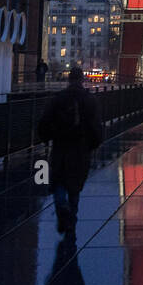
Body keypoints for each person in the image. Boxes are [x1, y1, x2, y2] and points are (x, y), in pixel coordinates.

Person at [37, 66, 102, 236]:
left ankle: (61, 207)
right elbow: (96, 127)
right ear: (82, 79)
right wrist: (93, 144)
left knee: (59, 181)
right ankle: (71, 218)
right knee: (75, 185)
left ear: (68, 79)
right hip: (81, 148)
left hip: (60, 146)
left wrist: (46, 138)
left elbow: (44, 121)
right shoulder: (89, 100)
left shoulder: (58, 98)